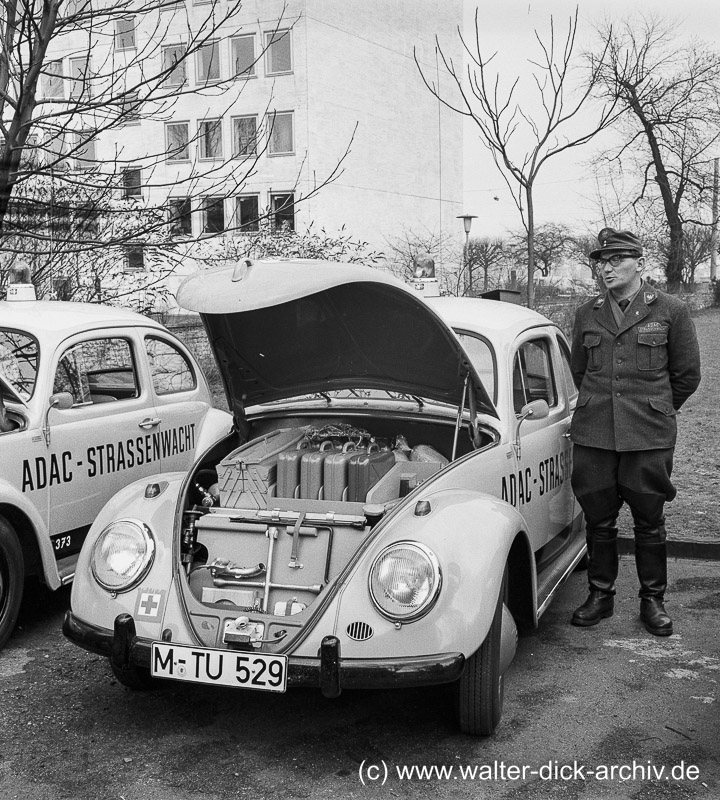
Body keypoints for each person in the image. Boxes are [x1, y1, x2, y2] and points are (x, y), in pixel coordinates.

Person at [569, 228, 701, 636]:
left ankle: (652, 600)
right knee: (598, 516)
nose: (605, 268)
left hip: (648, 433)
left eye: (615, 260)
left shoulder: (671, 309)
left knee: (649, 517)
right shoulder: (587, 312)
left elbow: (686, 375)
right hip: (595, 433)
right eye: (601, 262)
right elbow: (580, 371)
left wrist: (654, 409)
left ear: (639, 262)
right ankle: (600, 594)